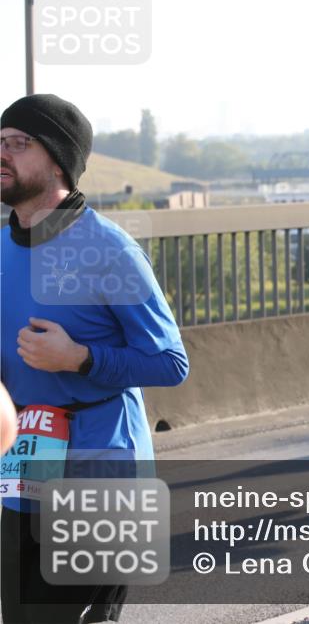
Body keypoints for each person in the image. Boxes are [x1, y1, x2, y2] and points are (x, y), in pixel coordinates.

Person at [1, 94, 189, 623]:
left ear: (58, 159)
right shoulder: (0, 249)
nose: (3, 154)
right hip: (22, 474)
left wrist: (80, 358)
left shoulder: (110, 250)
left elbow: (170, 362)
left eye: (19, 143)